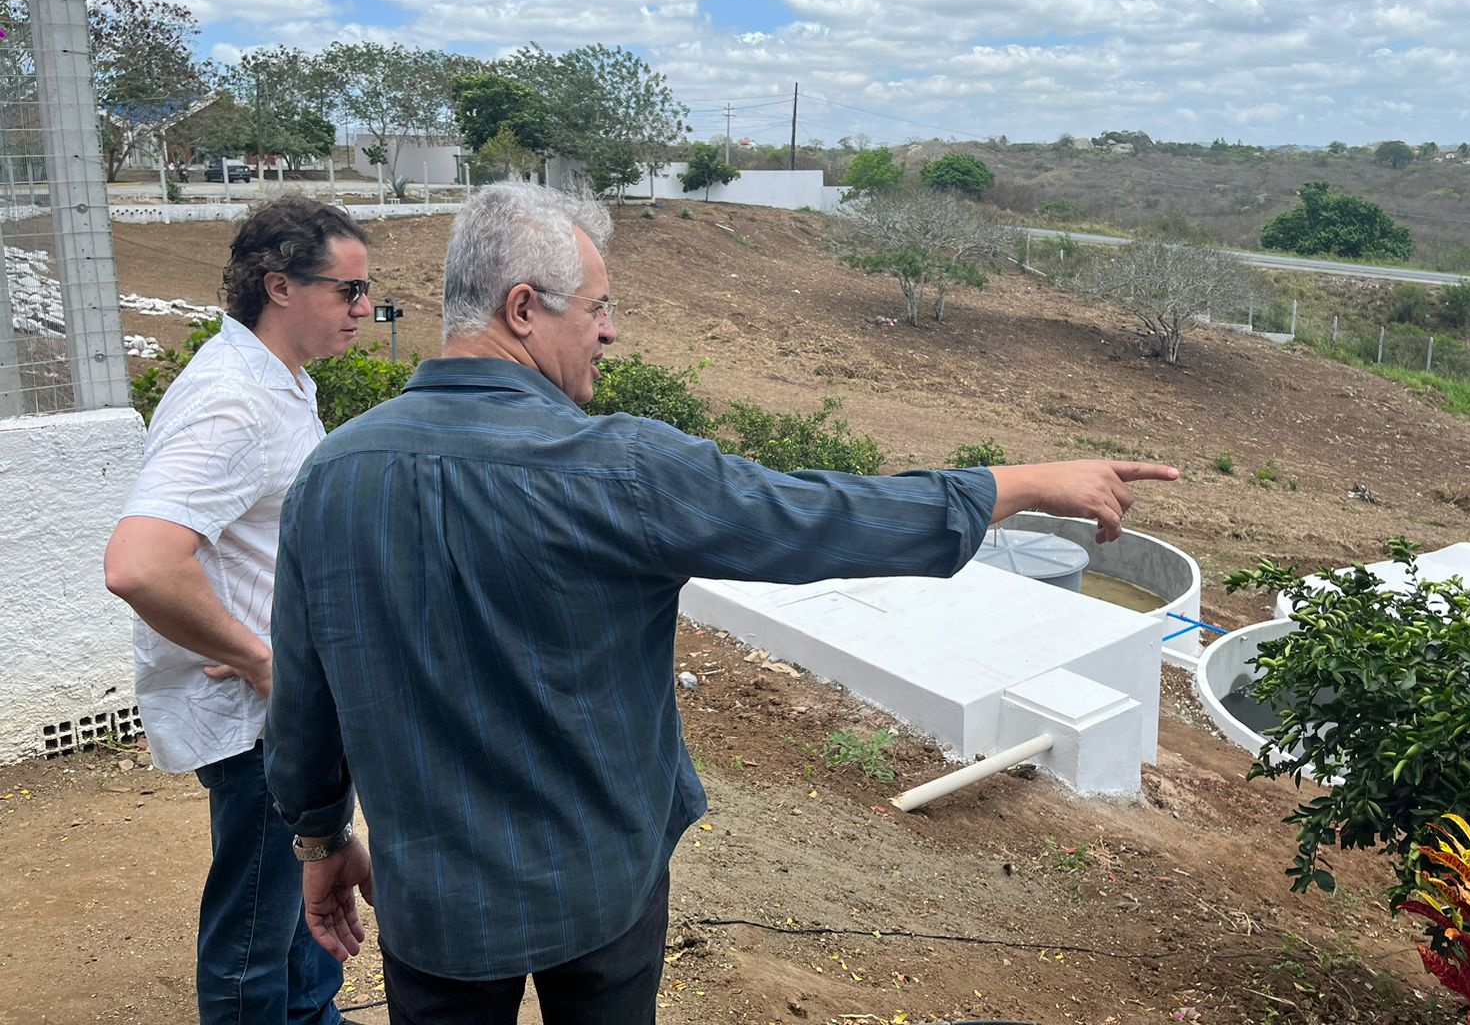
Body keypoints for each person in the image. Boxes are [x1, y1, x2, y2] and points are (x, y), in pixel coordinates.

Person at [264, 183, 1179, 1025]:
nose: (610, 333)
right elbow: (819, 518)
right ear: (522, 309)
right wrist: (1010, 484)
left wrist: (318, 841)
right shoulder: (619, 468)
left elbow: (306, 693)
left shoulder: (332, 476)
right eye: (598, 309)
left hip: (436, 903)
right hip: (602, 884)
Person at [103, 196, 373, 1025]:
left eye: (369, 294)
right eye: (348, 292)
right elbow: (141, 564)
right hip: (260, 722)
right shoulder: (232, 400)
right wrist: (264, 661)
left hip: (282, 715)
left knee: (302, 929)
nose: (365, 310)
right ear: (279, 285)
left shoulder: (278, 382)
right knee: (256, 944)